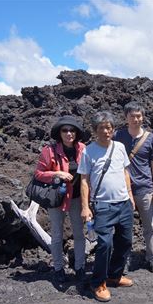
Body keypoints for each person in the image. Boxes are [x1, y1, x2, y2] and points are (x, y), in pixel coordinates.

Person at [79, 111, 135, 302]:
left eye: (109, 127)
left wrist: (130, 195)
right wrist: (85, 207)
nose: (106, 131)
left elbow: (125, 172)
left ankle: (114, 275)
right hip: (102, 205)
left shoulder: (119, 147)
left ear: (113, 129)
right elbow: (84, 181)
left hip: (124, 203)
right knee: (104, 244)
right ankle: (98, 283)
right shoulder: (88, 151)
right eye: (102, 127)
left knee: (125, 241)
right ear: (95, 130)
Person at [34, 116, 86, 283]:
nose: (69, 133)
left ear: (77, 133)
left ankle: (80, 267)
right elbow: (38, 174)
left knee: (79, 234)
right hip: (57, 199)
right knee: (57, 235)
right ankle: (58, 268)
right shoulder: (49, 151)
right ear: (59, 132)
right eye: (65, 130)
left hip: (77, 198)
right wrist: (56, 173)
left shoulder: (83, 149)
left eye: (72, 130)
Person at [114, 101, 153, 273]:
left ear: (143, 117)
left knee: (150, 225)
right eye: (132, 116)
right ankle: (124, 259)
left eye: (139, 116)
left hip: (145, 188)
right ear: (126, 117)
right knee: (124, 228)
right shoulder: (118, 136)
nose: (136, 119)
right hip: (122, 190)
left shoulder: (150, 138)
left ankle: (152, 258)